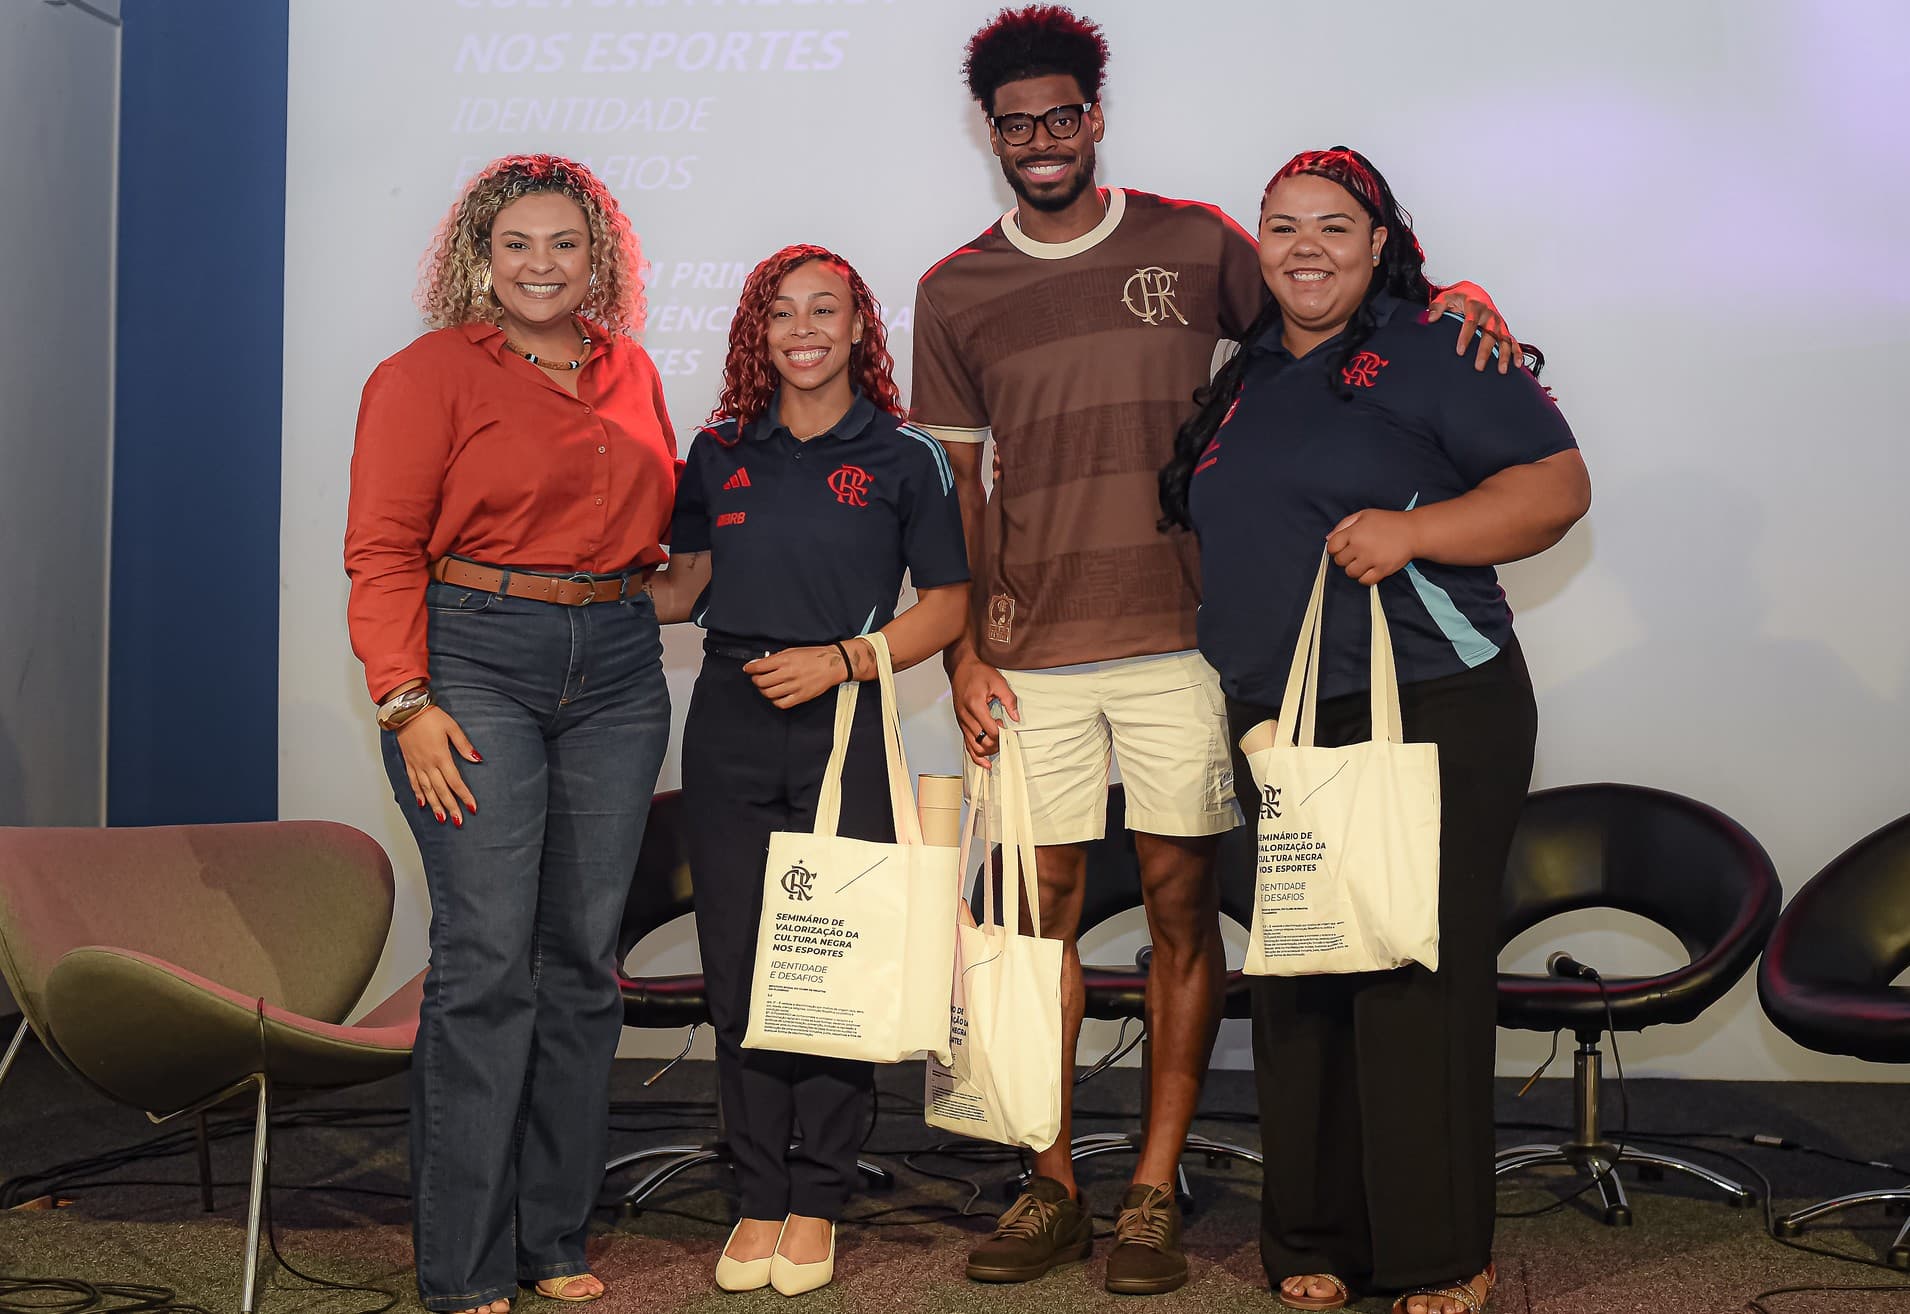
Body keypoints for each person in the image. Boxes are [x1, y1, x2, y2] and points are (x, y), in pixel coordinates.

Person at [909, 5, 1517, 1296]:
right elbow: (957, 490)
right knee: (1031, 925)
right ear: (989, 135)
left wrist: (1454, 298)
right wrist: (961, 651)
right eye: (1014, 124)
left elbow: (1331, 305)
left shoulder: (1195, 242)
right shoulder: (950, 290)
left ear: (1095, 117)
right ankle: (1050, 1181)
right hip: (1026, 656)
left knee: (1184, 909)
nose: (1039, 139)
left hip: (1182, 650)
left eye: (1060, 115)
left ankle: (1150, 1191)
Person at [1160, 147, 1591, 1314]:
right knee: (1302, 973)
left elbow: (1554, 488)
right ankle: (1314, 1236)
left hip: (1433, 705)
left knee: (1411, 979)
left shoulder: (1437, 346)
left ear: (1378, 243)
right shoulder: (1245, 373)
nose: (1305, 248)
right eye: (1281, 227)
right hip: (1278, 723)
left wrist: (1416, 532)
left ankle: (1436, 1255)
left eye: (1333, 227)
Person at [344, 154, 677, 1313]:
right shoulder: (424, 374)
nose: (542, 265)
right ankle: (465, 1265)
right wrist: (405, 699)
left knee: (581, 966)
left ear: (599, 258)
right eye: (517, 245)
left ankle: (552, 1238)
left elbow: (656, 537)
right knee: (487, 962)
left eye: (564, 244)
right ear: (480, 259)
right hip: (473, 662)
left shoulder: (630, 370)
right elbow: (383, 551)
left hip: (619, 669)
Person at [646, 244, 970, 1297]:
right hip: (732, 719)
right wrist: (547, 587)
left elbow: (946, 606)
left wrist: (841, 661)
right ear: (758, 331)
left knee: (833, 961)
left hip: (847, 717)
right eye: (781, 312)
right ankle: (756, 1195)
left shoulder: (906, 455)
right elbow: (682, 587)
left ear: (858, 326)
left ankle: (819, 1196)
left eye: (823, 309)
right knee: (739, 963)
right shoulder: (717, 449)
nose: (802, 329)